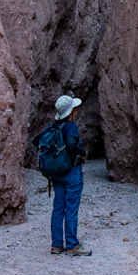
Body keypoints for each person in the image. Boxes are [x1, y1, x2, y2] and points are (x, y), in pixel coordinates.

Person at [46, 94, 91, 256]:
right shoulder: (71, 126)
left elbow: (37, 141)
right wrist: (82, 152)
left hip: (57, 173)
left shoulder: (53, 126)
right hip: (72, 172)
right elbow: (72, 145)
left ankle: (56, 245)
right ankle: (72, 245)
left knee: (58, 209)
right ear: (71, 110)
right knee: (71, 209)